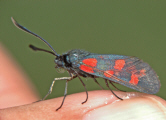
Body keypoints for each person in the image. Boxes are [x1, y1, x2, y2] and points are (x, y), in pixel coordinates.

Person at [0, 44, 166, 120]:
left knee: (106, 76)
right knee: (63, 80)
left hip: (112, 70)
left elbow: (98, 74)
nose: (58, 65)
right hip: (100, 69)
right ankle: (46, 97)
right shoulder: (75, 65)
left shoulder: (80, 64)